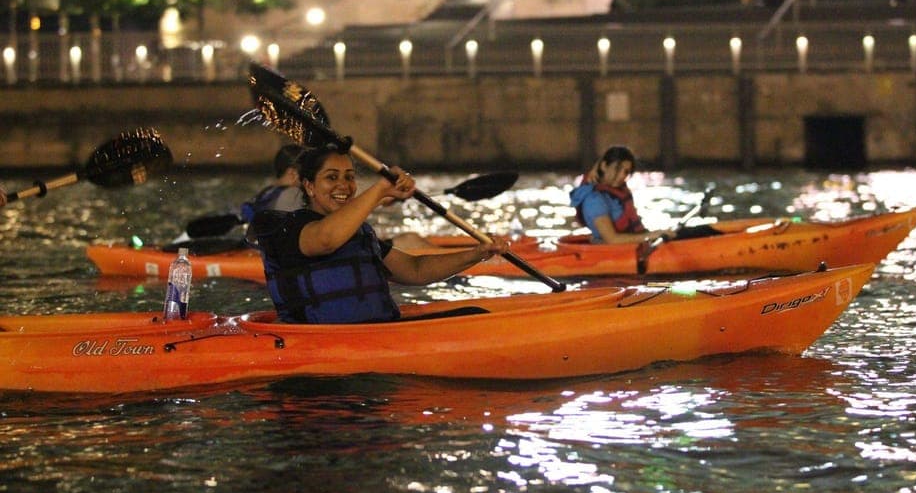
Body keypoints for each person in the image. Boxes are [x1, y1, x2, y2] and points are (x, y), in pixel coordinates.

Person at [252, 144, 511, 324]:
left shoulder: (359, 231)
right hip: (318, 344)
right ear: (309, 186)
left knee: (472, 312)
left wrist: (477, 254)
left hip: (376, 333)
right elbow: (325, 240)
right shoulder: (286, 228)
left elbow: (415, 268)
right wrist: (381, 190)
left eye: (349, 177)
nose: (344, 185)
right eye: (331, 177)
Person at [570, 145, 720, 245]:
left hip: (642, 241)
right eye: (618, 168)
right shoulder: (594, 200)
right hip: (628, 249)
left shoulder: (613, 187)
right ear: (604, 165)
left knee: (703, 231)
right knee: (700, 235)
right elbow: (612, 239)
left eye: (626, 172)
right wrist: (654, 235)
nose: (622, 175)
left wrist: (655, 234)